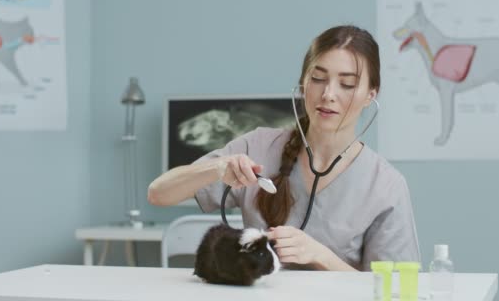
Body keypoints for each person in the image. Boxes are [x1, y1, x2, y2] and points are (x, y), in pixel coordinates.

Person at [148, 25, 420, 271]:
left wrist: (321, 257)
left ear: (371, 94)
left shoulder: (385, 186)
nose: (328, 94)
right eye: (318, 78)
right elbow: (158, 194)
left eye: (347, 84)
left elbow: (395, 291)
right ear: (303, 83)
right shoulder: (258, 146)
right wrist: (216, 168)